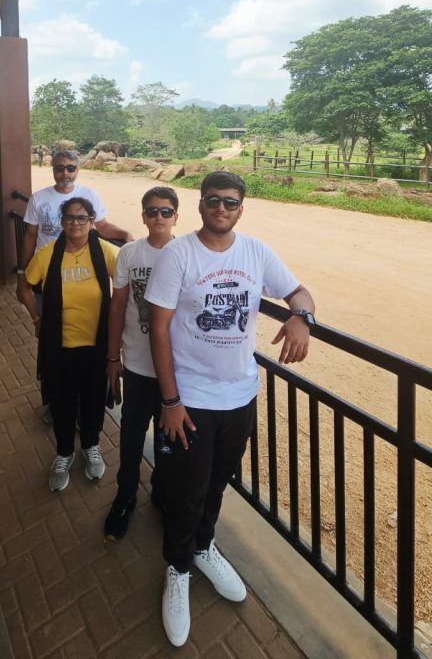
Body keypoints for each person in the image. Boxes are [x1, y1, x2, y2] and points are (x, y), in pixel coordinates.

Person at [145, 171, 315, 647]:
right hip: (191, 401)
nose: (222, 208)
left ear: (242, 208)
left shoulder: (256, 252)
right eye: (214, 200)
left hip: (240, 396)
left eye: (231, 202)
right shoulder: (179, 254)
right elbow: (158, 329)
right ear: (200, 205)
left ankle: (204, 546)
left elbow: (298, 292)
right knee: (186, 489)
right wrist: (170, 401)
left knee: (218, 481)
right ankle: (178, 568)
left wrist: (302, 317)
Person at [17, 148, 133, 422]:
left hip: (83, 275)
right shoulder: (39, 198)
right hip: (48, 278)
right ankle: (53, 400)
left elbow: (102, 226)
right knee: (50, 342)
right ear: (53, 169)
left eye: (70, 167)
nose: (65, 173)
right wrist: (23, 269)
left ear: (77, 169)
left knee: (86, 340)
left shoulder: (89, 195)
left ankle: (84, 403)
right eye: (60, 167)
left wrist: (125, 235)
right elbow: (30, 236)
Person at [18, 197, 118, 491]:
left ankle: (91, 445)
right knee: (62, 402)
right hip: (59, 347)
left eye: (82, 217)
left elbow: (128, 284)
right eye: (70, 217)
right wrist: (36, 318)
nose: (76, 223)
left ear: (92, 221)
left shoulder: (105, 251)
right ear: (61, 221)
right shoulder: (48, 253)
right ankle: (64, 453)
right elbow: (24, 287)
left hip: (96, 347)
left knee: (93, 400)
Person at [104, 186, 179, 541]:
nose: (158, 217)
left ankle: (163, 492)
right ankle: (126, 495)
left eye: (166, 211)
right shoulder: (130, 253)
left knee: (168, 439)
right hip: (136, 365)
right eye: (152, 211)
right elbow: (118, 306)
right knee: (132, 435)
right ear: (143, 216)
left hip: (175, 373)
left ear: (176, 216)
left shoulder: (186, 253)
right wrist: (112, 357)